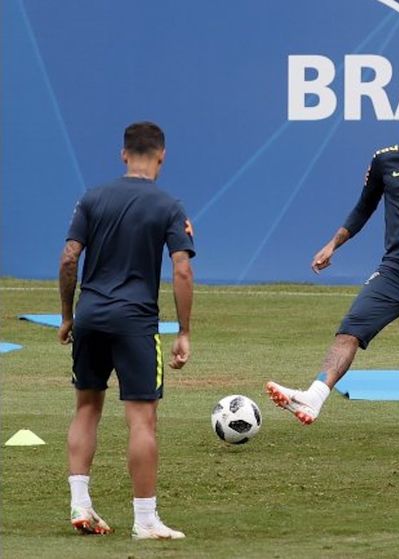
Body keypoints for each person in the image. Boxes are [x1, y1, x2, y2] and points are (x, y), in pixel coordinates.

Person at [266, 96, 399, 436]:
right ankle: (315, 396)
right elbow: (363, 208)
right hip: (394, 273)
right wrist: (333, 243)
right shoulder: (385, 160)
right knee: (349, 331)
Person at [60, 122, 195, 538]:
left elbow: (69, 259)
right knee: (142, 420)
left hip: (91, 316)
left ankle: (80, 504)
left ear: (122, 155)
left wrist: (68, 315)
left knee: (86, 408)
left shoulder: (92, 198)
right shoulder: (169, 206)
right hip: (134, 321)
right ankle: (145, 520)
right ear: (162, 155)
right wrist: (184, 331)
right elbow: (182, 269)